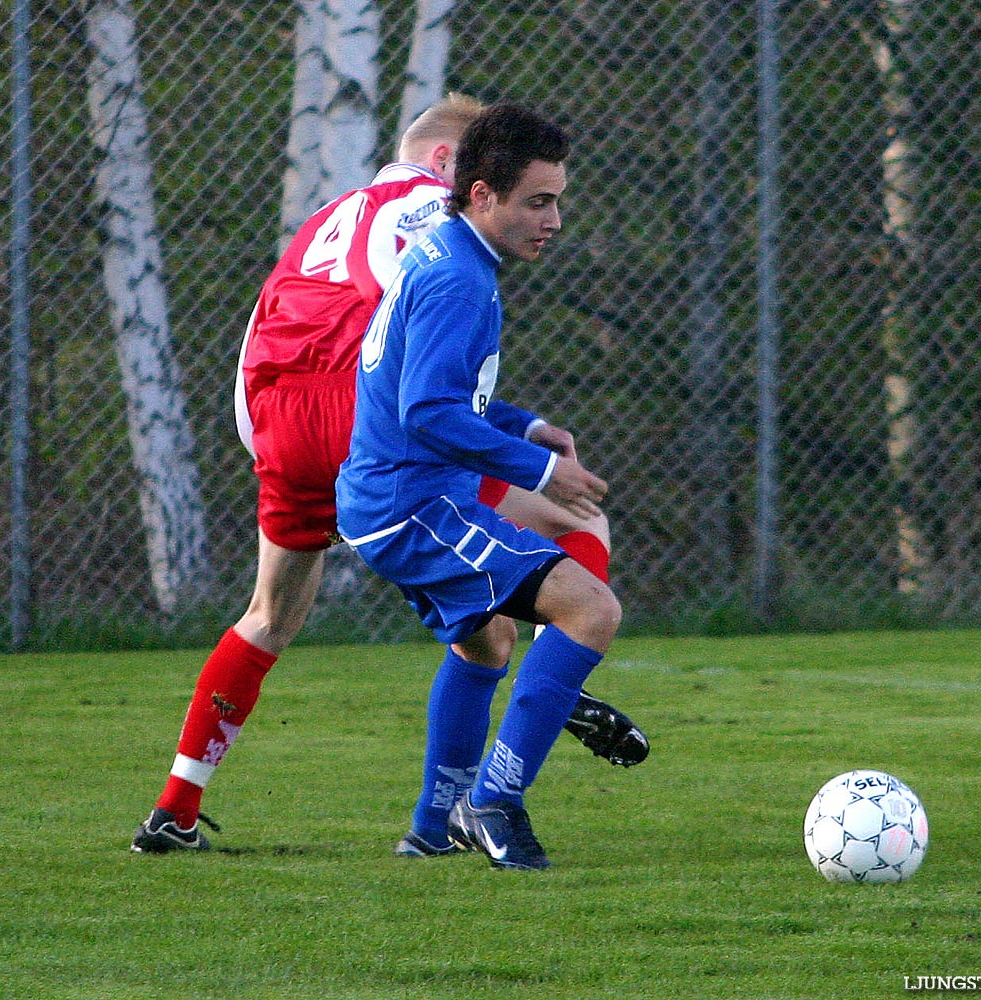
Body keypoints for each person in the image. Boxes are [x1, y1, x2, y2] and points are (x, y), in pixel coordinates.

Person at [131, 95, 645, 855]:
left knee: (272, 618)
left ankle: (176, 809)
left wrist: (265, 441)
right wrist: (533, 454)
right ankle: (554, 685)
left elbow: (268, 327)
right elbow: (425, 378)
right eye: (532, 197)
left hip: (273, 418)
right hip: (367, 422)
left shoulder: (326, 217)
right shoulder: (432, 221)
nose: (547, 215)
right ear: (454, 167)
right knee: (576, 531)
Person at [336, 104, 620, 870]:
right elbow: (425, 412)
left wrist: (526, 428)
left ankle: (432, 828)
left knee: (486, 640)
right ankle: (492, 802)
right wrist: (537, 470)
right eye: (537, 201)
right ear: (483, 193)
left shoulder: (442, 254)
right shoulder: (461, 278)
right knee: (590, 609)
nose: (554, 218)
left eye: (558, 199)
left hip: (385, 500)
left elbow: (434, 389)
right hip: (413, 506)